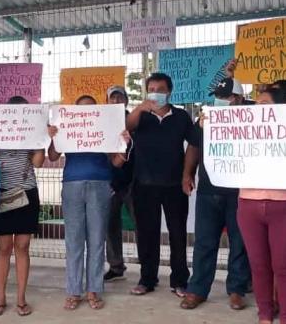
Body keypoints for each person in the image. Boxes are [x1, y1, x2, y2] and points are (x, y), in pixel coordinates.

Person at [232, 88, 286, 324]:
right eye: (257, 103)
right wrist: (209, 128)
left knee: (283, 266)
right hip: (249, 205)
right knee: (259, 265)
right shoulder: (244, 130)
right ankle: (264, 316)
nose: (258, 106)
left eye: (263, 102)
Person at [49, 94, 128, 311]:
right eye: (82, 110)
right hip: (72, 185)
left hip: (100, 185)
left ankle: (94, 289)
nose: (86, 114)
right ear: (74, 112)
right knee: (74, 240)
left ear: (98, 112)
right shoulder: (65, 127)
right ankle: (74, 291)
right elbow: (53, 156)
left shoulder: (106, 129)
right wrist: (54, 136)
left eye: (91, 110)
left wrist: (124, 143)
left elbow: (117, 162)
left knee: (96, 239)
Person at [180, 77, 252, 311]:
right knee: (204, 241)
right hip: (210, 190)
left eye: (226, 97)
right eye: (218, 97)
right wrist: (187, 174)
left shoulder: (254, 116)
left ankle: (236, 290)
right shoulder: (206, 118)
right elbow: (194, 146)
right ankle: (197, 289)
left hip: (241, 190)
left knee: (239, 242)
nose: (220, 101)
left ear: (239, 99)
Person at [126, 72, 194, 297]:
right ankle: (147, 279)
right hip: (144, 184)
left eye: (160, 89)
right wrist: (139, 108)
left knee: (177, 233)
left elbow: (194, 143)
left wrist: (187, 175)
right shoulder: (141, 116)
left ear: (169, 92)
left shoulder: (181, 116)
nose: (156, 93)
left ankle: (180, 281)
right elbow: (126, 127)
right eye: (151, 89)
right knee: (146, 234)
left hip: (174, 184)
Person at [0, 95, 45, 317]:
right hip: (1, 192)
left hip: (27, 191)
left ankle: (21, 298)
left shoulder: (33, 134)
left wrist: (41, 139)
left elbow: (38, 162)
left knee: (23, 246)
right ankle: (0, 298)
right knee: (3, 248)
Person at [103, 85, 135, 282]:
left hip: (133, 181)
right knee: (110, 226)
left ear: (126, 101)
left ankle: (148, 268)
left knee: (142, 224)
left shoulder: (135, 121)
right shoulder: (100, 123)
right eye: (112, 98)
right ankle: (116, 266)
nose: (115, 101)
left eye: (119, 97)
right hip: (109, 182)